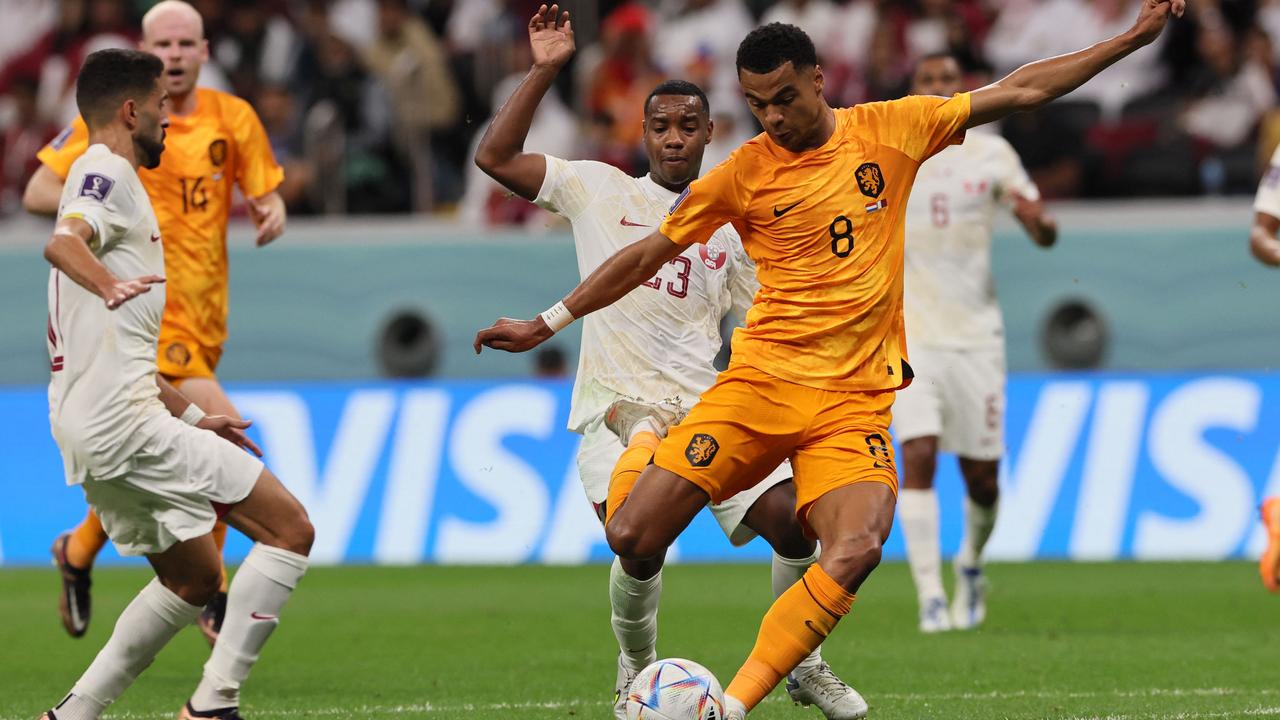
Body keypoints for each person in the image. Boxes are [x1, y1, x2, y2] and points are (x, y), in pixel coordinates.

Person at [475, 2, 1185, 717]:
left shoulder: (894, 128)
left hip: (852, 405)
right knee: (631, 534)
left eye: (785, 98)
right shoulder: (741, 174)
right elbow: (646, 255)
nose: (774, 118)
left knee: (854, 547)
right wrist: (548, 321)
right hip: (759, 389)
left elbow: (1024, 89)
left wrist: (1129, 39)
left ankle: (737, 702)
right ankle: (643, 630)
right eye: (758, 105)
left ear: (819, 79)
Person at [473, 6, 864, 718]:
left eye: (689, 126)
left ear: (711, 132)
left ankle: (802, 660)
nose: (675, 138)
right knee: (639, 549)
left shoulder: (733, 220)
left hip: (705, 410)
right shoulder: (597, 189)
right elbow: (494, 160)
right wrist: (545, 69)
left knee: (795, 525)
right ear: (643, 132)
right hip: (616, 409)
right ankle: (636, 666)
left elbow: (770, 315)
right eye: (662, 127)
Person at [37, 47, 311, 720]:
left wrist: (194, 418)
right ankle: (213, 704)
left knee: (193, 577)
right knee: (290, 529)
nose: (170, 117)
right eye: (162, 106)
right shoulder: (105, 172)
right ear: (132, 111)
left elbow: (121, 353)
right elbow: (63, 240)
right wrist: (107, 283)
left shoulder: (103, 176)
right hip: (122, 424)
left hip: (91, 424)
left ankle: (70, 715)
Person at [895, 51, 1057, 633]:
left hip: (977, 335)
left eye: (946, 80)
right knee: (915, 457)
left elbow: (1038, 223)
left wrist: (1040, 223)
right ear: (914, 89)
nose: (937, 88)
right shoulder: (898, 151)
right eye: (926, 80)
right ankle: (930, 598)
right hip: (911, 336)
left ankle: (971, 562)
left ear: (963, 89)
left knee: (982, 477)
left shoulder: (993, 154)